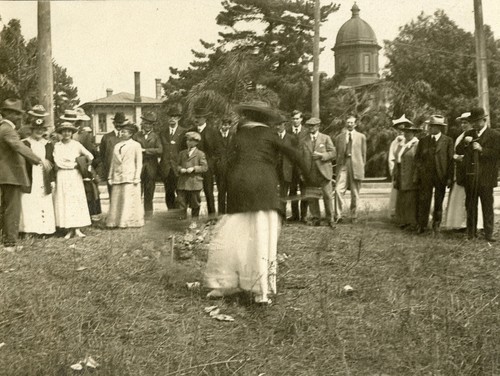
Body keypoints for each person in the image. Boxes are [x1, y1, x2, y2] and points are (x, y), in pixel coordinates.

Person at [204, 101, 308, 305]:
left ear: (248, 117)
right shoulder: (270, 135)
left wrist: (229, 184)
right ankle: (261, 290)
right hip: (263, 190)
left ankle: (225, 283)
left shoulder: (237, 135)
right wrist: (312, 181)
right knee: (260, 238)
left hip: (238, 189)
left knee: (235, 237)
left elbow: (226, 163)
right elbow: (295, 154)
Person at [0, 99, 44, 251]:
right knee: (12, 209)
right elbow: (18, 146)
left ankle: (6, 240)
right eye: (15, 113)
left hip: (6, 175)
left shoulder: (4, 128)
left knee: (6, 208)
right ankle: (10, 243)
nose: (18, 117)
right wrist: (38, 159)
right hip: (10, 175)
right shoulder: (7, 129)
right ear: (6, 113)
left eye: (19, 114)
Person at [456, 107, 500, 241]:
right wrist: (465, 142)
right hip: (471, 176)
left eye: (476, 121)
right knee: (470, 205)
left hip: (486, 176)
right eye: (472, 121)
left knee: (487, 205)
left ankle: (488, 234)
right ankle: (471, 233)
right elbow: (458, 150)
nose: (474, 124)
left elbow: (497, 154)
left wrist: (482, 149)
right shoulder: (468, 133)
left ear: (484, 120)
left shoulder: (494, 135)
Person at [19, 105, 56, 236]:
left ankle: (44, 230)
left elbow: (51, 162)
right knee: (29, 201)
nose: (39, 132)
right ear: (31, 130)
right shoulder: (25, 143)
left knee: (43, 200)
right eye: (36, 129)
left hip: (43, 176)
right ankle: (28, 230)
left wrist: (51, 178)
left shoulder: (48, 144)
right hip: (30, 176)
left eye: (41, 130)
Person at [53, 122, 94, 239]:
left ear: (72, 133)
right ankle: (68, 229)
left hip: (74, 175)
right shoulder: (57, 146)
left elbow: (90, 156)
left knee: (75, 200)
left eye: (69, 131)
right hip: (62, 174)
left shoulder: (77, 145)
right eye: (64, 131)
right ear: (61, 133)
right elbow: (57, 161)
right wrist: (68, 165)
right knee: (65, 200)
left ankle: (77, 229)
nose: (66, 133)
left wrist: (81, 165)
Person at [414, 115, 454, 233]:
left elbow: (451, 160)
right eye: (429, 125)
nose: (429, 128)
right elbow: (417, 158)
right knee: (424, 200)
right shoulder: (423, 141)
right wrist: (422, 170)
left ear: (439, 127)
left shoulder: (448, 141)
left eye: (432, 126)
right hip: (426, 176)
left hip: (441, 175)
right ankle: (422, 225)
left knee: (439, 200)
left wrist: (449, 177)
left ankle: (436, 224)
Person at [444, 112, 483, 230]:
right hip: (460, 171)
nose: (463, 125)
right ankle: (459, 223)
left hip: (471, 171)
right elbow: (456, 151)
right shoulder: (460, 137)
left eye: (466, 122)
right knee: (460, 196)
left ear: (471, 123)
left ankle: (470, 224)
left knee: (470, 198)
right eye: (462, 123)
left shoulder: (476, 135)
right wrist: (456, 157)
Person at [106, 121, 144, 228]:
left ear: (131, 134)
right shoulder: (117, 145)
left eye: (125, 132)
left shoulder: (136, 145)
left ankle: (128, 222)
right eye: (121, 132)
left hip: (130, 176)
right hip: (117, 176)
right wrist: (110, 176)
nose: (122, 134)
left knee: (128, 200)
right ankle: (115, 221)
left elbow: (139, 162)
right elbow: (113, 162)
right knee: (116, 200)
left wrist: (137, 176)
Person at [301, 117, 336, 226]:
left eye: (313, 126)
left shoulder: (325, 138)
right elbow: (300, 158)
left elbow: (333, 153)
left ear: (318, 126)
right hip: (310, 173)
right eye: (309, 126)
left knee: (328, 196)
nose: (311, 128)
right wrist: (301, 173)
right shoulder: (304, 140)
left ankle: (330, 219)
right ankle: (316, 218)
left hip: (324, 172)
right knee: (312, 197)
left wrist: (322, 156)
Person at [333, 115, 366, 223]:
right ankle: (338, 215)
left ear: (355, 124)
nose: (350, 124)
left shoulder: (361, 137)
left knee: (355, 193)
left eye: (352, 122)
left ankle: (354, 216)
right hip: (343, 164)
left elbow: (363, 154)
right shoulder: (339, 137)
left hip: (356, 165)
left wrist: (361, 167)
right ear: (345, 124)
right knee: (338, 190)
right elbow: (337, 153)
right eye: (348, 122)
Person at [134, 111, 162, 218]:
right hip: (139, 167)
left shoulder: (156, 136)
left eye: (150, 124)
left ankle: (148, 215)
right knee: (137, 193)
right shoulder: (136, 135)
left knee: (149, 193)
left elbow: (160, 150)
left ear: (152, 125)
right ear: (142, 124)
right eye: (145, 123)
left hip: (151, 167)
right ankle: (136, 215)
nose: (147, 125)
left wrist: (145, 150)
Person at [393, 118, 421, 229]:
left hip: (410, 173)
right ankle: (402, 221)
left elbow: (418, 162)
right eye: (405, 132)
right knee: (402, 198)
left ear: (414, 133)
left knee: (411, 199)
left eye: (409, 132)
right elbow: (397, 159)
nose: (406, 134)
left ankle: (412, 222)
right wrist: (395, 174)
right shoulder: (401, 144)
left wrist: (416, 176)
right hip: (401, 173)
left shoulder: (416, 144)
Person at [189, 107, 217, 215]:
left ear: (205, 118)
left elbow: (217, 151)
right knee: (194, 194)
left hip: (207, 168)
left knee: (209, 192)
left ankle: (212, 217)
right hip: (194, 168)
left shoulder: (213, 132)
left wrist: (209, 164)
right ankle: (194, 218)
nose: (197, 120)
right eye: (196, 117)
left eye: (199, 117)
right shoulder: (191, 131)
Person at [176, 131, 208, 219]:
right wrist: (180, 169)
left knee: (195, 204)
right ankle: (182, 223)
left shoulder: (200, 154)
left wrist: (194, 168)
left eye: (190, 140)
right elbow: (177, 165)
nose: (188, 142)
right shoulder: (182, 153)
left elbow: (205, 167)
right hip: (183, 183)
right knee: (181, 203)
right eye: (187, 140)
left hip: (194, 183)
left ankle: (195, 222)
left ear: (196, 142)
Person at [159, 106, 186, 209]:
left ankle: (181, 216)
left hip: (178, 167)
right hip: (166, 168)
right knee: (169, 193)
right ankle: (170, 216)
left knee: (180, 194)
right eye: (170, 116)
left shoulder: (183, 132)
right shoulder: (162, 132)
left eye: (175, 117)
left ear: (179, 118)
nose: (172, 119)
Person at [288, 110, 309, 222]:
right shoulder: (287, 131)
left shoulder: (306, 132)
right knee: (292, 191)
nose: (295, 120)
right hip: (290, 167)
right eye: (294, 118)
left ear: (301, 119)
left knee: (304, 191)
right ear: (291, 119)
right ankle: (294, 214)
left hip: (303, 166)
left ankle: (304, 215)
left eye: (297, 118)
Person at [100, 112, 127, 196]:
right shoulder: (106, 137)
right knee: (112, 194)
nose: (119, 125)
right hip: (111, 170)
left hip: (124, 170)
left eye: (121, 123)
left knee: (124, 195)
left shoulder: (127, 137)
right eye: (117, 123)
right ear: (114, 123)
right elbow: (102, 154)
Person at [212, 115, 234, 214]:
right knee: (221, 191)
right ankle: (221, 213)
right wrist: (217, 161)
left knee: (230, 191)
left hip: (231, 168)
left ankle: (230, 212)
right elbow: (213, 150)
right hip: (220, 167)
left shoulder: (234, 135)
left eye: (226, 125)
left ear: (229, 126)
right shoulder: (216, 135)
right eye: (223, 125)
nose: (224, 127)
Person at [274, 114, 294, 217]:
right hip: (274, 170)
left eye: (280, 125)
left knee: (284, 193)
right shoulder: (272, 137)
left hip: (286, 170)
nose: (278, 127)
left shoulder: (291, 138)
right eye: (276, 125)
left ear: (284, 125)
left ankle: (282, 215)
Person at [387, 116, 406, 219]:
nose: (401, 131)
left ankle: (405, 214)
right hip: (397, 171)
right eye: (399, 129)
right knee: (396, 192)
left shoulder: (411, 141)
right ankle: (395, 213)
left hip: (407, 170)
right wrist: (393, 171)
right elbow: (391, 158)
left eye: (403, 128)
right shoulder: (394, 143)